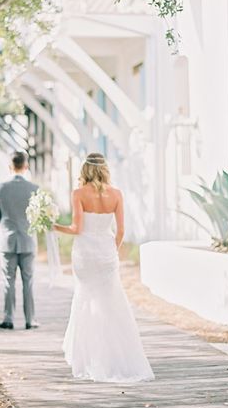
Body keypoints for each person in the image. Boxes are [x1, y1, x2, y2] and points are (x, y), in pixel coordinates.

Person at [54, 152, 154, 383]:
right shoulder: (116, 194)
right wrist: (112, 250)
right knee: (111, 305)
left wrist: (54, 227)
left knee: (85, 300)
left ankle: (89, 359)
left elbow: (76, 229)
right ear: (105, 169)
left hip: (85, 255)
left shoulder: (78, 193)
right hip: (106, 253)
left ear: (85, 170)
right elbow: (120, 231)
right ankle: (118, 360)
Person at [0, 151, 39, 330]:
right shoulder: (34, 189)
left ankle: (8, 318)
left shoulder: (0, 188)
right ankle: (30, 320)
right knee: (28, 281)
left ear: (10, 166)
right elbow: (38, 217)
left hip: (7, 240)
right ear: (26, 166)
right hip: (28, 240)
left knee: (8, 281)